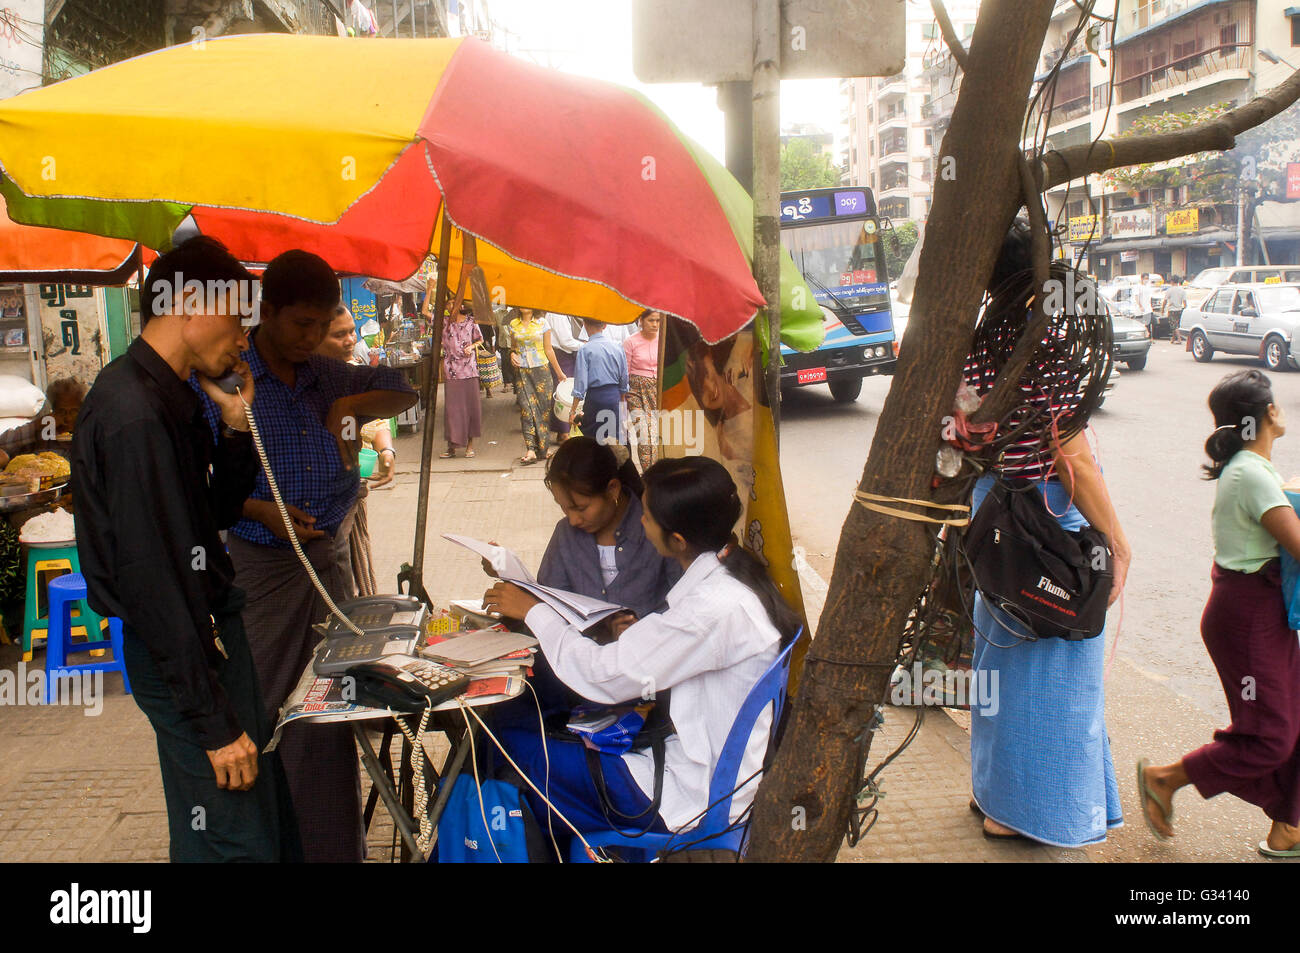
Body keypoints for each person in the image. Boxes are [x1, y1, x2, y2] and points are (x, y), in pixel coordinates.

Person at [72, 236, 298, 862]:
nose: (244, 341)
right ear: (191, 304)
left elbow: (212, 515)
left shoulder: (171, 396)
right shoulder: (133, 413)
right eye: (237, 319)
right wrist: (215, 723)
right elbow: (153, 581)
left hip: (204, 636)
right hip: (184, 644)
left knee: (238, 823)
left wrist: (232, 430)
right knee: (236, 834)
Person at [201, 249, 416, 863]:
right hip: (263, 563)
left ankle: (333, 849)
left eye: (323, 325)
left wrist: (348, 408)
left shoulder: (326, 372)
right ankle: (270, 846)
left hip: (330, 557)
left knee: (332, 705)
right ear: (265, 312)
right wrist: (256, 509)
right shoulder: (230, 375)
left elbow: (405, 387)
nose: (314, 338)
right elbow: (200, 479)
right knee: (270, 709)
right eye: (301, 325)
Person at [482, 455, 801, 850]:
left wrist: (535, 611)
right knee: (528, 737)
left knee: (512, 754)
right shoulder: (729, 580)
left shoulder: (711, 608)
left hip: (696, 797)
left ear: (678, 540)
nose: (640, 523)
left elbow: (602, 675)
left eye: (646, 516)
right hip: (698, 765)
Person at [964, 273, 1132, 847]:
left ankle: (993, 791)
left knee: (999, 660)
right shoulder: (1044, 349)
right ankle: (1030, 811)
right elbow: (1075, 463)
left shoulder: (973, 347)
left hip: (993, 521)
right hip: (1047, 529)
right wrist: (1118, 542)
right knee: (1056, 673)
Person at [1139, 370, 1300, 858]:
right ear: (1267, 414)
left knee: (1294, 719)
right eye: (1277, 404)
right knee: (1269, 735)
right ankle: (1165, 777)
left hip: (1261, 611)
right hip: (1247, 616)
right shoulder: (1250, 473)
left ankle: (1288, 828)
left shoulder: (1255, 468)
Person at [315, 306, 396, 597]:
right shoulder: (304, 385)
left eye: (351, 331)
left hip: (350, 492)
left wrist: (386, 452)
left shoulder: (355, 377)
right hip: (317, 508)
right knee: (335, 571)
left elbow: (376, 422)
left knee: (349, 566)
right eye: (340, 335)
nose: (351, 340)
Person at [509, 307, 566, 465]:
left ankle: (544, 448)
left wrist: (560, 373)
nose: (524, 305)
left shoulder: (543, 323)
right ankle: (531, 449)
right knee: (526, 409)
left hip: (542, 371)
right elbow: (513, 348)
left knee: (543, 411)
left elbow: (549, 349)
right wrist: (512, 355)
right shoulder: (513, 324)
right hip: (522, 372)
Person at [570, 318, 629, 447]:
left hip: (595, 398)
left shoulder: (585, 350)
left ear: (584, 325)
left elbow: (580, 385)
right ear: (605, 325)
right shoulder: (618, 347)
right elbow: (624, 378)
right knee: (616, 439)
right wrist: (622, 402)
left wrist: (573, 411)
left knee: (593, 440)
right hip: (614, 397)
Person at [441, 300, 483, 459]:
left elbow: (480, 340)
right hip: (451, 372)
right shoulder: (444, 322)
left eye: (453, 303)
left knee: (471, 408)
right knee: (452, 410)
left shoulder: (471, 322)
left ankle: (470, 446)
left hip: (469, 370)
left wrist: (471, 347)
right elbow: (425, 312)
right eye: (448, 303)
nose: (449, 306)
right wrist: (430, 289)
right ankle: (451, 447)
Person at [623, 311, 662, 472]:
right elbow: (625, 372)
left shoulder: (664, 340)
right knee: (644, 436)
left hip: (658, 392)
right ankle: (648, 475)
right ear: (641, 320)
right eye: (651, 320)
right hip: (636, 393)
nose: (655, 324)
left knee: (659, 434)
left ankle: (660, 473)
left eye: (658, 321)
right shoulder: (630, 342)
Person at [547, 313, 586, 443]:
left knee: (566, 391)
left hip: (567, 354)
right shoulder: (557, 315)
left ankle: (565, 430)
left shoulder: (565, 314)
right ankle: (563, 432)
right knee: (563, 392)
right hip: (562, 354)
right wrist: (585, 345)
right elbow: (565, 341)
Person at [1165, 275, 1187, 345]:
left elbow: (1165, 300)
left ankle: (1179, 339)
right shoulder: (1182, 290)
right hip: (1179, 309)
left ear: (1172, 281)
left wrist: (1162, 309)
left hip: (1172, 310)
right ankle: (1173, 339)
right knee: (1176, 325)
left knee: (1174, 325)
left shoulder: (1169, 290)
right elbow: (1184, 301)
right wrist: (1185, 307)